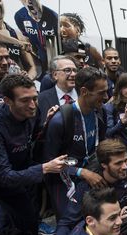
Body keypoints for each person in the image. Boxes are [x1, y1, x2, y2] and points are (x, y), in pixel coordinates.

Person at [0, 74, 66, 235]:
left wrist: (46, 124)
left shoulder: (34, 111)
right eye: (25, 100)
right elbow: (4, 177)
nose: (32, 105)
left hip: (21, 175)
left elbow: (32, 137)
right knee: (6, 232)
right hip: (0, 178)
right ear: (7, 101)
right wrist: (45, 168)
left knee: (30, 222)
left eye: (35, 98)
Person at [42, 67, 109, 220]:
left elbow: (101, 143)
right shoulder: (60, 120)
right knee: (69, 222)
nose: (106, 97)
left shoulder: (100, 111)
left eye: (106, 91)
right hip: (64, 179)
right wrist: (82, 172)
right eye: (101, 93)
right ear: (84, 91)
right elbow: (49, 163)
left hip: (91, 172)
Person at [56, 139, 127, 235]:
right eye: (118, 163)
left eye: (126, 160)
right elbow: (66, 223)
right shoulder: (86, 187)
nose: (125, 166)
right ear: (104, 164)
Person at [0, 0, 37, 80]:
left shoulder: (17, 35)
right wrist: (17, 42)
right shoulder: (19, 41)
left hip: (13, 84)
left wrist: (26, 80)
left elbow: (32, 67)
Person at [104, 72, 127, 162]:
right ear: (120, 88)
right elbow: (108, 134)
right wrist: (123, 120)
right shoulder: (110, 107)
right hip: (118, 156)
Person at [14, 0, 58, 77]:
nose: (29, 1)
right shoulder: (19, 16)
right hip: (34, 60)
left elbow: (53, 52)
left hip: (50, 59)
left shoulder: (53, 17)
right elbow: (26, 39)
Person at [37, 56, 78, 124]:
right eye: (67, 70)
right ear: (55, 75)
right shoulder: (41, 99)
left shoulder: (85, 95)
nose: (73, 74)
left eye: (75, 70)